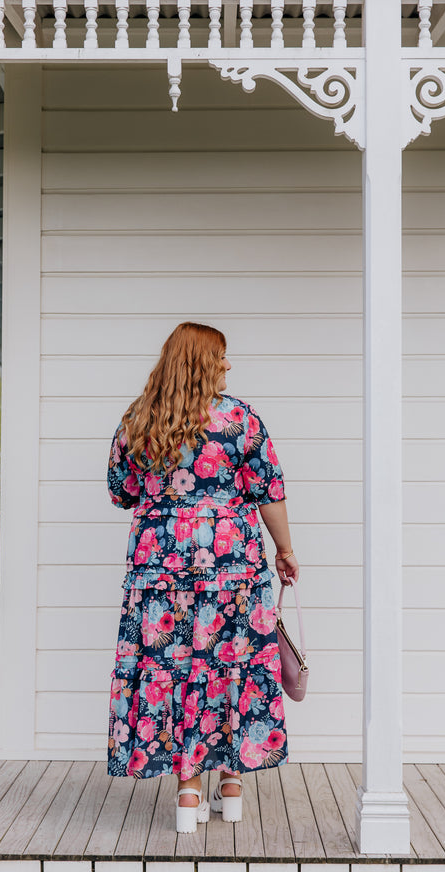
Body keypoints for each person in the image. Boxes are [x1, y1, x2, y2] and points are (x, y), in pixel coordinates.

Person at [106, 322, 300, 833]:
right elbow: (269, 491)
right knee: (230, 663)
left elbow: (121, 491)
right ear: (202, 362)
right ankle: (231, 783)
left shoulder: (137, 418)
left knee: (174, 668)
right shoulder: (239, 418)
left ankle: (187, 791)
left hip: (157, 569)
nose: (229, 366)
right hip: (230, 567)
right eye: (222, 357)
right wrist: (284, 549)